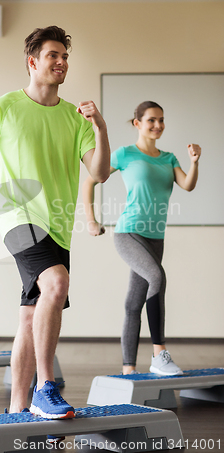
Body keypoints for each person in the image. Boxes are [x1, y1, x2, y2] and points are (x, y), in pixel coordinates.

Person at [0, 26, 110, 418]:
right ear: (33, 62)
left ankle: (15, 409)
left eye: (65, 57)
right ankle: (46, 387)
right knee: (57, 283)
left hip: (57, 224)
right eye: (53, 56)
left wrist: (101, 128)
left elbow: (101, 171)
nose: (61, 63)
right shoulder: (4, 106)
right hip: (16, 216)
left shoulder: (74, 117)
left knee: (31, 314)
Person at [83, 101, 201, 376]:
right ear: (137, 123)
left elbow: (187, 185)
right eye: (151, 120)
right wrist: (91, 220)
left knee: (133, 303)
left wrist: (194, 163)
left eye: (161, 120)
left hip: (155, 237)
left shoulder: (169, 158)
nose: (158, 125)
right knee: (156, 277)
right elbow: (90, 180)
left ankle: (129, 371)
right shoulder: (125, 154)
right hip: (129, 232)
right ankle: (159, 354)